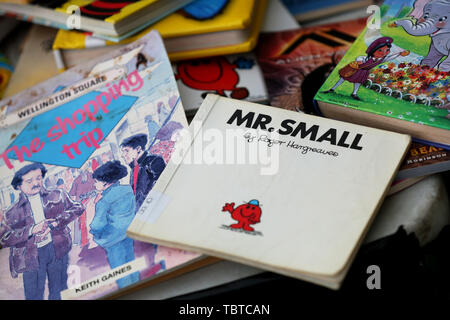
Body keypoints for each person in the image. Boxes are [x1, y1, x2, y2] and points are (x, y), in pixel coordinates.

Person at [0, 163, 84, 300]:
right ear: (19, 186)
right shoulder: (12, 212)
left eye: (38, 178)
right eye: (29, 181)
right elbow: (4, 238)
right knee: (34, 295)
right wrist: (31, 230)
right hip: (30, 256)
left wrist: (56, 222)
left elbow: (78, 208)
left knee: (59, 290)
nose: (36, 183)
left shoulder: (58, 194)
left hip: (57, 248)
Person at [90, 161, 139, 288]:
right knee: (130, 262)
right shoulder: (128, 189)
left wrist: (96, 233)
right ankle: (138, 286)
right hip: (128, 233)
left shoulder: (104, 201)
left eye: (96, 181)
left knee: (120, 270)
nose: (94, 184)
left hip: (112, 238)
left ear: (105, 181)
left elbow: (97, 224)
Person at [322, 37, 409, 100]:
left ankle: (354, 93)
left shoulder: (381, 59)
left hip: (363, 72)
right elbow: (360, 58)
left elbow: (390, 57)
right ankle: (332, 89)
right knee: (343, 77)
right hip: (355, 70)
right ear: (373, 50)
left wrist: (400, 54)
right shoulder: (366, 58)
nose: (383, 53)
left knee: (358, 82)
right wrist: (359, 61)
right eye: (380, 50)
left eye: (386, 51)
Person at [120, 133, 166, 211]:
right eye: (123, 151)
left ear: (138, 149)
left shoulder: (154, 161)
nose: (123, 155)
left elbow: (162, 188)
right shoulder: (134, 170)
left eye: (126, 151)